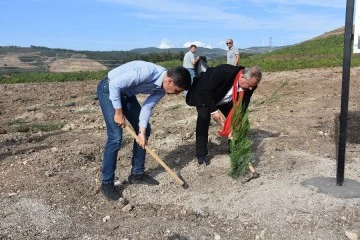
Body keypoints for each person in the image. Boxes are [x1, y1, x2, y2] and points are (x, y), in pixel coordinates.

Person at [97, 60, 191, 201]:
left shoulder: (161, 89)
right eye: (177, 90)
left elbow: (147, 107)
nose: (177, 94)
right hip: (108, 88)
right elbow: (115, 85)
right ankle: (106, 184)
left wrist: (141, 132)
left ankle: (137, 174)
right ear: (170, 81)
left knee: (145, 131)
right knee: (115, 137)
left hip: (126, 94)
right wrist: (118, 112)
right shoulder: (147, 72)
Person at [186, 64, 262, 165]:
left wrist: (237, 122)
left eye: (253, 86)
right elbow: (206, 90)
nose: (251, 88)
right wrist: (214, 111)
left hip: (226, 99)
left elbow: (244, 103)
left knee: (238, 121)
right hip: (205, 94)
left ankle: (233, 149)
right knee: (203, 119)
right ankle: (201, 154)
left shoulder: (251, 84)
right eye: (250, 85)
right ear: (242, 77)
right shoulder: (223, 72)